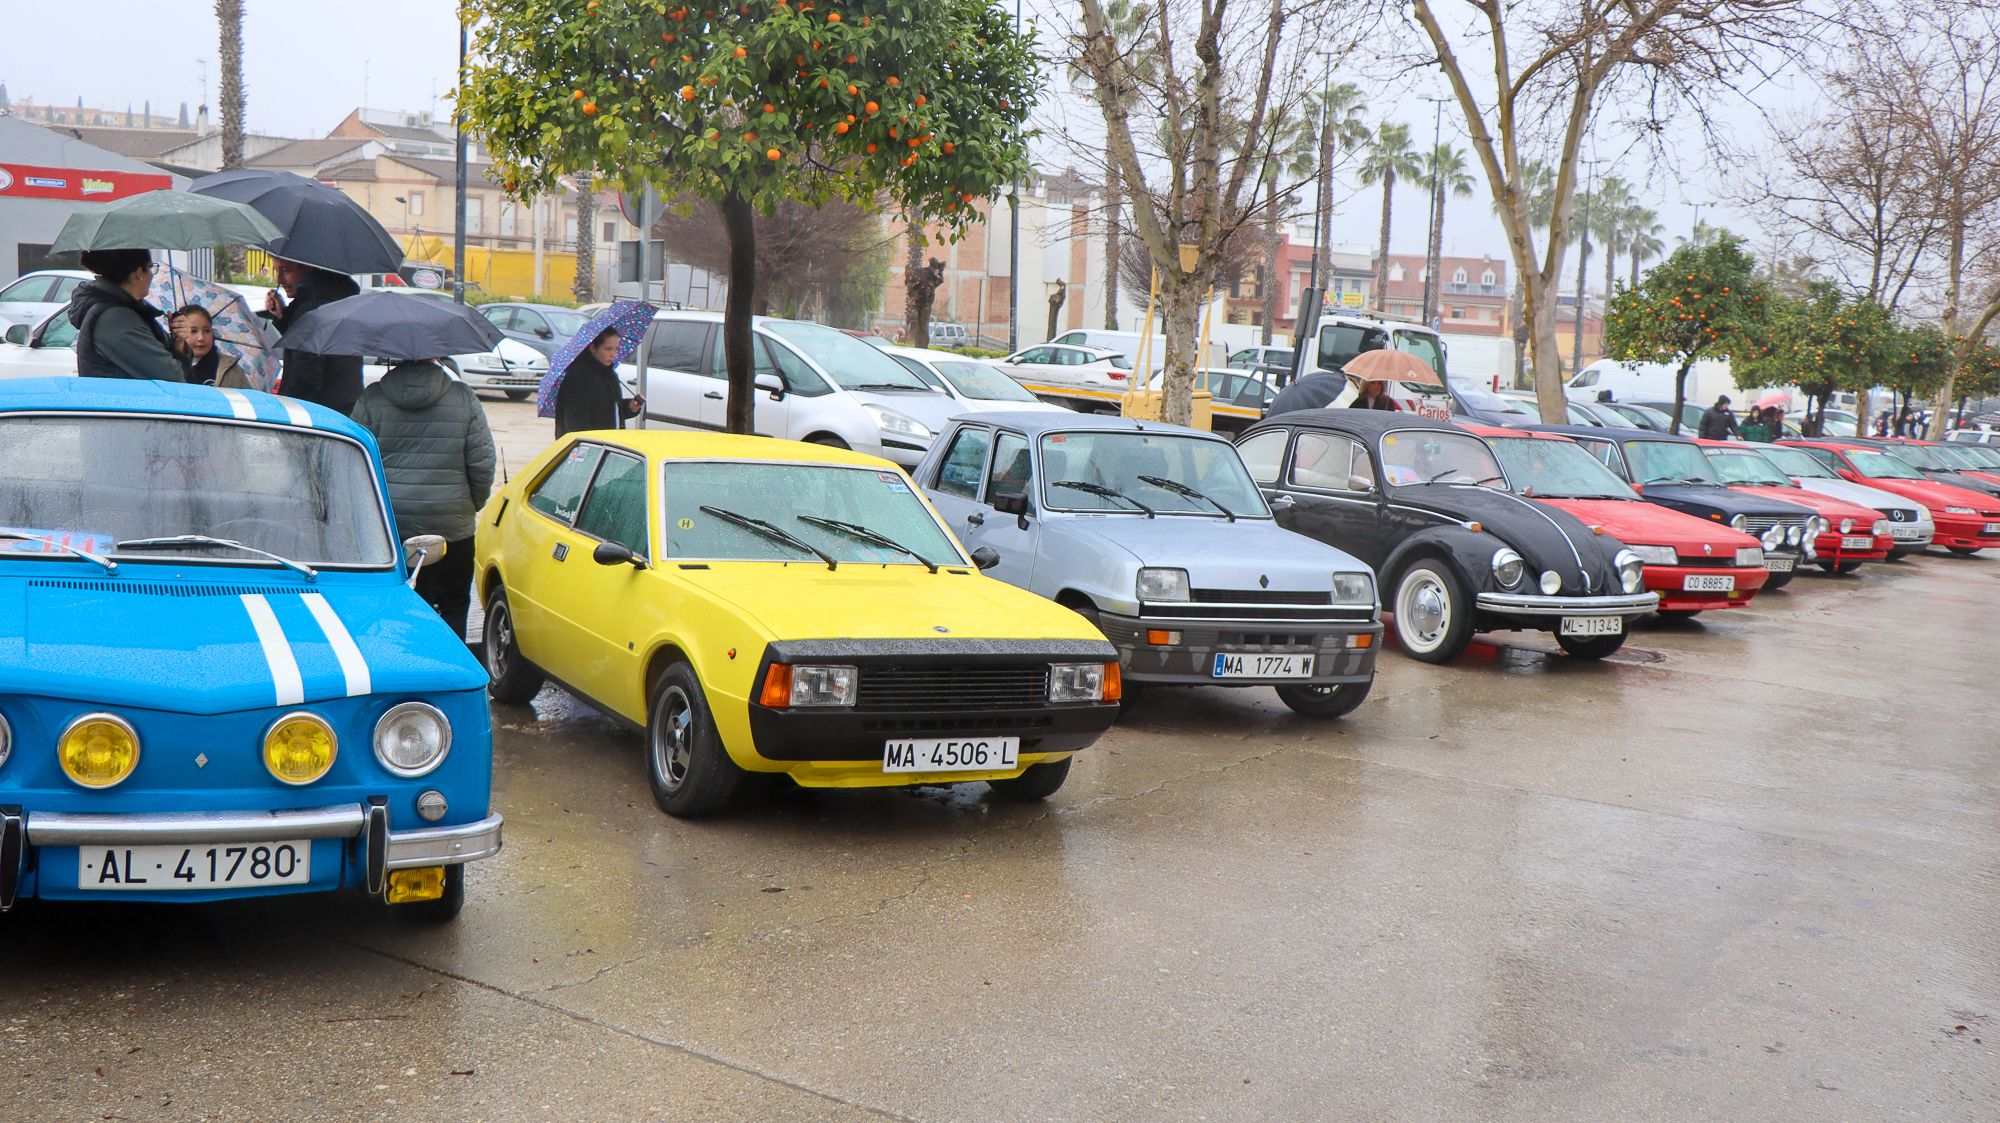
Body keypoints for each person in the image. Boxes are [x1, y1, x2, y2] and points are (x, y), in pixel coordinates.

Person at [350, 357, 496, 640]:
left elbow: (354, 460)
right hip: (451, 529)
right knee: (453, 605)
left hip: (389, 526)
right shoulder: (463, 398)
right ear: (436, 355)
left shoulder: (372, 398)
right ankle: (450, 673)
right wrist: (471, 504)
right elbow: (482, 464)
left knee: (392, 605)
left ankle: (398, 671)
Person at [262, 257, 364, 415]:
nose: (279, 279)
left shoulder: (312, 312)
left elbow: (305, 375)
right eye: (276, 270)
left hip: (316, 418)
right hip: (342, 412)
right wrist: (284, 316)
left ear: (308, 267)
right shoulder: (338, 301)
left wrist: (284, 413)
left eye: (287, 270)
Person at [66, 249, 183, 380]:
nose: (152, 274)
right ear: (139, 273)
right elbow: (172, 376)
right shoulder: (118, 321)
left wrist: (178, 343)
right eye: (151, 267)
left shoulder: (130, 311)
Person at [554, 327, 644, 437]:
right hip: (588, 446)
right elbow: (576, 422)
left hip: (609, 442)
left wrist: (630, 407)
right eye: (608, 349)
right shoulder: (578, 377)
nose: (613, 354)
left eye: (616, 349)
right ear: (593, 347)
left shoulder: (610, 374)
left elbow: (609, 411)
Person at [169, 305, 252, 388]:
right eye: (193, 331)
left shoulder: (232, 370)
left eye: (207, 330)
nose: (201, 338)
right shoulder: (167, 364)